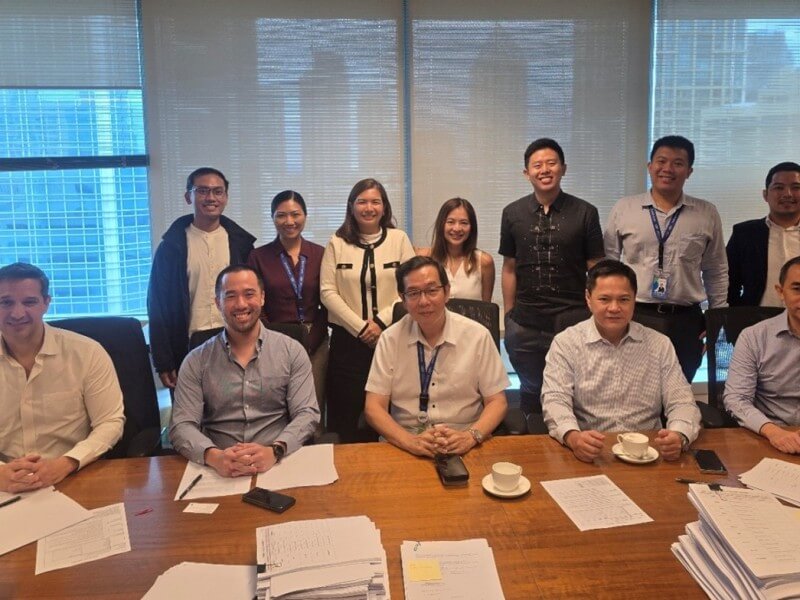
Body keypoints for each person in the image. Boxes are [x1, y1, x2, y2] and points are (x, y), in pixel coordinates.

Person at [541, 259, 700, 463]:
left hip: (648, 451)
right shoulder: (566, 343)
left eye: (624, 299)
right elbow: (555, 399)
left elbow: (682, 401)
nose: (614, 308)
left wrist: (679, 435)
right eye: (604, 299)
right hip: (593, 451)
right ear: (588, 299)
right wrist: (573, 437)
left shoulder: (660, 344)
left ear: (635, 299)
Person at [170, 265, 319, 477]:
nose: (241, 304)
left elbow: (307, 413)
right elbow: (182, 424)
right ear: (218, 303)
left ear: (262, 298)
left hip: (278, 464)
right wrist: (214, 457)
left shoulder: (291, 351)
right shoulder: (196, 360)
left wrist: (275, 450)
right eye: (230, 296)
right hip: (218, 469)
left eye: (249, 294)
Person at [604, 135, 728, 383]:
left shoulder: (706, 213)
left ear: (689, 171)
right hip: (636, 314)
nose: (668, 169)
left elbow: (716, 269)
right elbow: (608, 265)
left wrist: (718, 318)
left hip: (686, 320)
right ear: (650, 166)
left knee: (679, 389)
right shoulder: (624, 209)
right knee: (631, 388)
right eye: (661, 161)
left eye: (678, 163)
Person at [499, 138, 605, 415]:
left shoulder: (585, 213)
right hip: (526, 322)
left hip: (573, 317)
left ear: (563, 168)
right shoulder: (512, 213)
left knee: (574, 392)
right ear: (527, 173)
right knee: (531, 391)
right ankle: (533, 445)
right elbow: (509, 266)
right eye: (537, 165)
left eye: (551, 163)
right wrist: (509, 315)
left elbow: (596, 266)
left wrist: (594, 311)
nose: (544, 170)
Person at [364, 256, 508, 457]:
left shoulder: (477, 336)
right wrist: (411, 442)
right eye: (413, 293)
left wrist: (470, 436)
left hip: (466, 438)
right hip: (405, 441)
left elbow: (497, 402)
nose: (424, 301)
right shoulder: (390, 339)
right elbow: (373, 407)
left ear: (447, 291)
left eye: (432, 290)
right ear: (403, 299)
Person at [0, 263, 124, 493]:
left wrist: (66, 463)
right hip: (6, 484)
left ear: (46, 303)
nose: (17, 313)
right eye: (6, 302)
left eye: (29, 302)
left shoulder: (87, 353)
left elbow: (110, 423)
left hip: (72, 477)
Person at [320, 178, 415, 442]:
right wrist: (361, 327)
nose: (369, 207)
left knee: (388, 412)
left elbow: (410, 288)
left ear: (384, 207)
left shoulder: (399, 239)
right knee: (345, 415)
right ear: (351, 206)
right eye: (362, 201)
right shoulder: (337, 242)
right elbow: (327, 292)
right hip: (347, 343)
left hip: (391, 338)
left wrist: (380, 323)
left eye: (375, 201)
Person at [148, 167, 256, 391]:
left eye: (218, 192)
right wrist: (163, 360)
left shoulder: (241, 245)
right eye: (203, 191)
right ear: (189, 196)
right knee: (192, 416)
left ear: (225, 197)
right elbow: (157, 304)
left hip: (235, 345)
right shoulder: (172, 247)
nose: (211, 198)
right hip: (187, 347)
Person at [247, 190, 328, 423]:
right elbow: (256, 303)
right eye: (281, 215)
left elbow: (328, 301)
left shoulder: (320, 254)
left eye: (295, 214)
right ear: (272, 218)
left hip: (316, 340)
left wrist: (313, 339)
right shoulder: (258, 257)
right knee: (278, 406)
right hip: (274, 340)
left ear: (305, 215)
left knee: (313, 406)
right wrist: (271, 337)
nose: (289, 221)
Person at [724, 256, 800, 453]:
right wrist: (774, 432)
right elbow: (736, 399)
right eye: (797, 289)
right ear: (780, 292)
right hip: (768, 437)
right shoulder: (754, 337)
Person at [727, 162, 800, 306]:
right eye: (779, 187)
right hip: (757, 322)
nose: (787, 194)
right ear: (765, 195)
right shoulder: (744, 234)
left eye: (796, 187)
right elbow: (729, 285)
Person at [417, 198, 495, 301]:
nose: (457, 228)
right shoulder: (425, 259)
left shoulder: (484, 262)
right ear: (441, 224)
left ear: (472, 227)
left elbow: (486, 310)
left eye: (464, 223)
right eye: (451, 222)